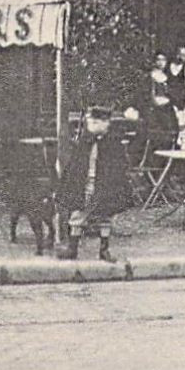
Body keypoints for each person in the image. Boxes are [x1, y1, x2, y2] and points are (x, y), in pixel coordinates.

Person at [57, 106, 133, 262]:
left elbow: (120, 166)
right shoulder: (85, 141)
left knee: (105, 215)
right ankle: (73, 248)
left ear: (105, 123)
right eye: (92, 122)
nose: (93, 125)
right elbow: (75, 165)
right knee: (78, 213)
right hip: (85, 183)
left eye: (97, 122)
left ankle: (104, 250)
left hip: (104, 184)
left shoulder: (113, 143)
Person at [167, 47, 185, 130]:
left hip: (182, 99)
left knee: (183, 120)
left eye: (184, 55)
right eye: (180, 54)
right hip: (169, 98)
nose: (181, 57)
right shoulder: (168, 67)